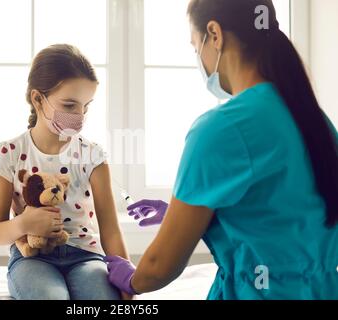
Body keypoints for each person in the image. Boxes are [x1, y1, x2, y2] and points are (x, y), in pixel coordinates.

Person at [104, 0, 338, 300]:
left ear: (214, 34)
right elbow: (282, 213)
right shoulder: (315, 121)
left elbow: (160, 266)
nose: (198, 57)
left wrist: (132, 278)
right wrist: (182, 215)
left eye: (194, 46)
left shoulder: (222, 128)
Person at [0, 44, 131, 300]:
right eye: (69, 105)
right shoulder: (8, 153)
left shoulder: (93, 156)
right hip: (32, 259)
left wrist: (126, 278)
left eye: (86, 106)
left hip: (87, 257)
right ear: (37, 98)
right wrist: (24, 223)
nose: (79, 116)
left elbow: (110, 229)